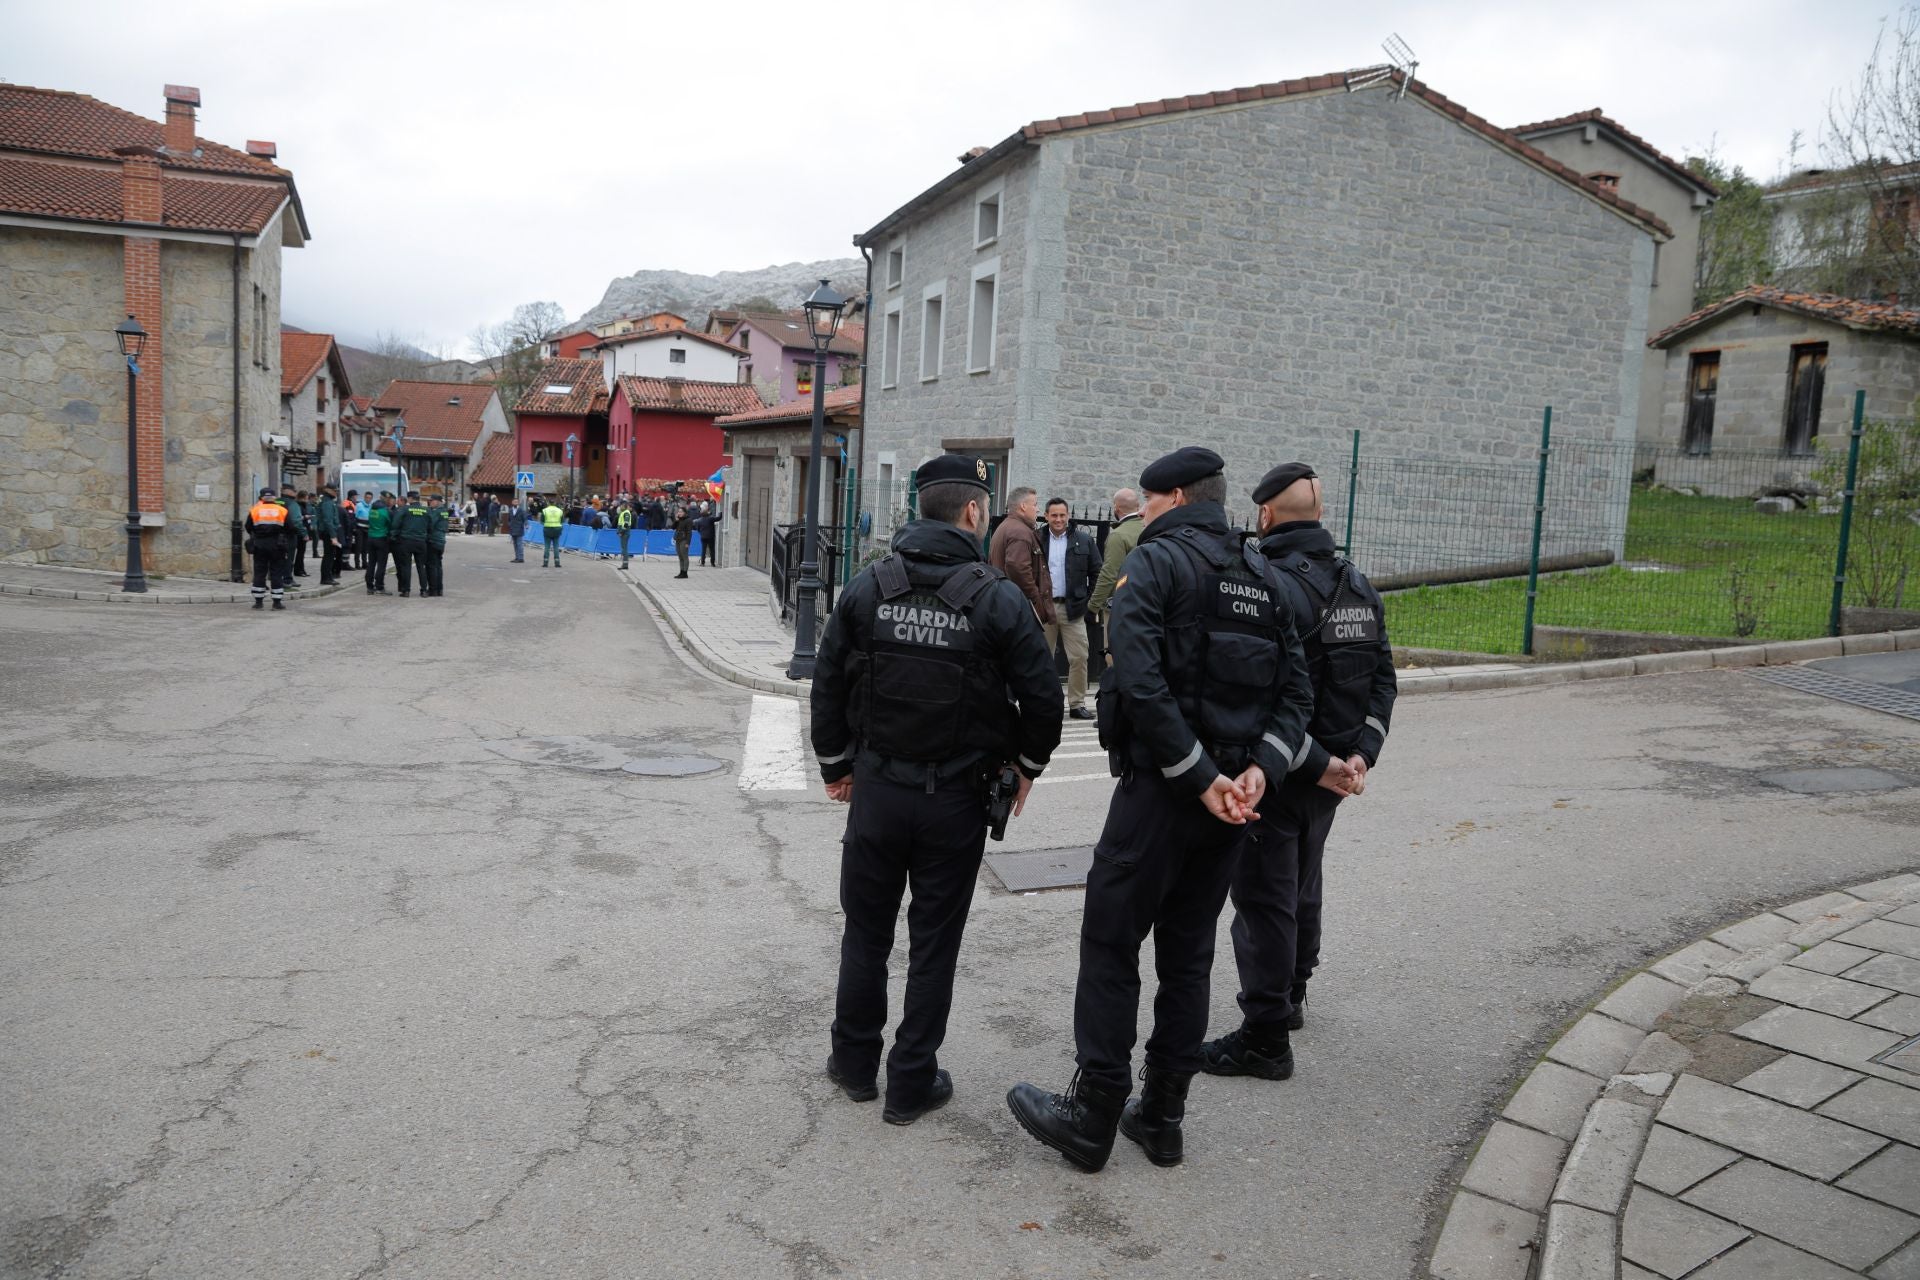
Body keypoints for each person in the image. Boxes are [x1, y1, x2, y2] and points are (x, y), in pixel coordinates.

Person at [1006, 446, 1322, 1173]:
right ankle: (1163, 1116)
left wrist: (1198, 772)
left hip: (1161, 794)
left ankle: (1095, 1112)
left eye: (1148, 502)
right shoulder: (1266, 576)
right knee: (1189, 955)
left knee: (1111, 943)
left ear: (1174, 498)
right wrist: (1254, 775)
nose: (1141, 514)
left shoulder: (1156, 562)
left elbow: (1140, 680)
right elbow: (1297, 697)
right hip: (1229, 807)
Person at [812, 454, 1064, 1126]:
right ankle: (909, 1084)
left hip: (876, 793)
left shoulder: (869, 588)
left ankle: (855, 1064)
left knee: (865, 933)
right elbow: (1044, 698)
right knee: (933, 943)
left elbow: (829, 680)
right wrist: (1026, 768)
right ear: (974, 512)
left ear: (919, 508)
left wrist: (837, 764)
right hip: (954, 800)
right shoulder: (997, 599)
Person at [1201, 463, 1397, 1081]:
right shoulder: (1358, 585)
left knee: (1265, 900)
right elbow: (1383, 683)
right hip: (1334, 777)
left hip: (1286, 772)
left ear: (1264, 516)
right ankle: (1292, 996)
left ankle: (1264, 1034)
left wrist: (1317, 764)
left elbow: (1265, 694)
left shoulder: (1271, 585)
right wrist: (1359, 755)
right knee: (1303, 882)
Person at [1042, 498, 1099, 721]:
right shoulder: (1037, 539)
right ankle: (1045, 702)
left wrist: (1088, 601)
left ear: (1068, 516)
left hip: (1073, 607)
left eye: (1062, 515)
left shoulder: (1084, 540)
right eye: (1054, 515)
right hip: (1044, 607)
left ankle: (1076, 704)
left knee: (1079, 657)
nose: (1058, 519)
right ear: (1046, 516)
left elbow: (1097, 571)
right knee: (1042, 658)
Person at [988, 487, 1052, 625]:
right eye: (1035, 504)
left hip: (1005, 605)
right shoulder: (1020, 532)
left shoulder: (1006, 526)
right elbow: (1017, 568)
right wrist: (1036, 601)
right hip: (1018, 610)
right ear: (1023, 506)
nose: (1038, 509)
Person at [1088, 488, 1142, 619]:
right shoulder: (1148, 527)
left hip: (1121, 605)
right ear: (1138, 506)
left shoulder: (1118, 535)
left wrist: (1093, 607)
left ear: (1116, 509)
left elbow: (1109, 574)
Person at [244, 488, 294, 610]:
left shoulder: (255, 510)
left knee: (260, 572)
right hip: (277, 545)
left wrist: (258, 533)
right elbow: (290, 528)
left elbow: (248, 527)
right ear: (274, 498)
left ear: (261, 498)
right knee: (276, 572)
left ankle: (258, 602)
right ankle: (277, 603)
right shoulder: (282, 510)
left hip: (259, 544)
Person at [391, 490, 432, 597]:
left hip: (406, 541)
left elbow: (396, 523)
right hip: (421, 542)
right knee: (421, 566)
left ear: (410, 499)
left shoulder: (405, 509)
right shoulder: (426, 510)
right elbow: (431, 526)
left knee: (406, 566)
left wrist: (393, 536)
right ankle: (424, 590)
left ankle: (406, 590)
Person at [364, 493, 393, 594]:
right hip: (381, 539)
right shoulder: (385, 511)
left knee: (371, 563)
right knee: (381, 564)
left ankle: (369, 587)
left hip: (371, 538)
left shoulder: (372, 510)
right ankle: (379, 587)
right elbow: (390, 525)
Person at [279, 485, 309, 585]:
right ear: (288, 491)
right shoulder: (292, 504)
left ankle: (276, 577)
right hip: (289, 534)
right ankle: (287, 580)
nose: (295, 493)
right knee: (289, 558)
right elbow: (296, 521)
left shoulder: (276, 501)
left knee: (277, 558)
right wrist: (304, 533)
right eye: (294, 491)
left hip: (274, 534)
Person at [422, 494, 449, 597]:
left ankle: (433, 589)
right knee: (438, 566)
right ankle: (439, 589)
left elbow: (430, 523)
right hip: (441, 541)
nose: (430, 503)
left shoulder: (436, 512)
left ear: (437, 501)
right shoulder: (444, 511)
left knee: (431, 566)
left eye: (431, 501)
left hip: (433, 540)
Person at [316, 484, 344, 586]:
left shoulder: (327, 501)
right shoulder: (327, 502)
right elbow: (328, 521)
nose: (336, 492)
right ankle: (326, 578)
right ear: (327, 490)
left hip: (328, 531)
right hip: (328, 532)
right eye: (334, 490)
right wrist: (333, 536)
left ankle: (327, 577)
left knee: (329, 556)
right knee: (329, 556)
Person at [541, 495, 566, 568]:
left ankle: (545, 562)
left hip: (547, 529)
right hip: (557, 529)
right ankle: (557, 562)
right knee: (556, 546)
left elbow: (542, 521)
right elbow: (562, 521)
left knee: (547, 546)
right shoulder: (560, 510)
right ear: (555, 503)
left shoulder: (545, 510)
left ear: (548, 503)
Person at [692, 501, 717, 567]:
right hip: (711, 536)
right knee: (712, 550)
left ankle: (702, 562)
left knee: (703, 550)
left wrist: (700, 532)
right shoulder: (711, 518)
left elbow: (696, 526)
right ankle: (712, 563)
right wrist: (721, 513)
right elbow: (718, 518)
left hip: (703, 536)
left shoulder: (699, 520)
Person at [672, 503, 693, 578]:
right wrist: (676, 520)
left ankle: (685, 572)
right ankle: (681, 571)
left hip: (684, 540)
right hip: (678, 539)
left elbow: (689, 532)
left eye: (681, 512)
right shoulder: (679, 520)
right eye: (678, 512)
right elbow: (673, 527)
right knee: (680, 556)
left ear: (685, 513)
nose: (679, 513)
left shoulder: (688, 520)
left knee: (684, 556)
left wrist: (688, 542)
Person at [507, 498, 529, 563]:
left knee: (519, 544)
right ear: (512, 502)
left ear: (518, 503)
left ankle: (521, 558)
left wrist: (526, 524)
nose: (515, 503)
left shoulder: (521, 510)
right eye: (514, 502)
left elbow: (525, 518)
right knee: (515, 544)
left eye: (517, 502)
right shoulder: (510, 510)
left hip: (519, 529)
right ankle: (517, 557)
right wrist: (510, 525)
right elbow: (509, 519)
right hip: (512, 529)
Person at [616, 500, 636, 569]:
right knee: (624, 548)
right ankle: (625, 565)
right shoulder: (624, 512)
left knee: (624, 549)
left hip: (624, 533)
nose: (620, 507)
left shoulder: (626, 513)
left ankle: (625, 565)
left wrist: (621, 532)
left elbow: (626, 524)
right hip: (624, 533)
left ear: (624, 506)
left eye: (621, 505)